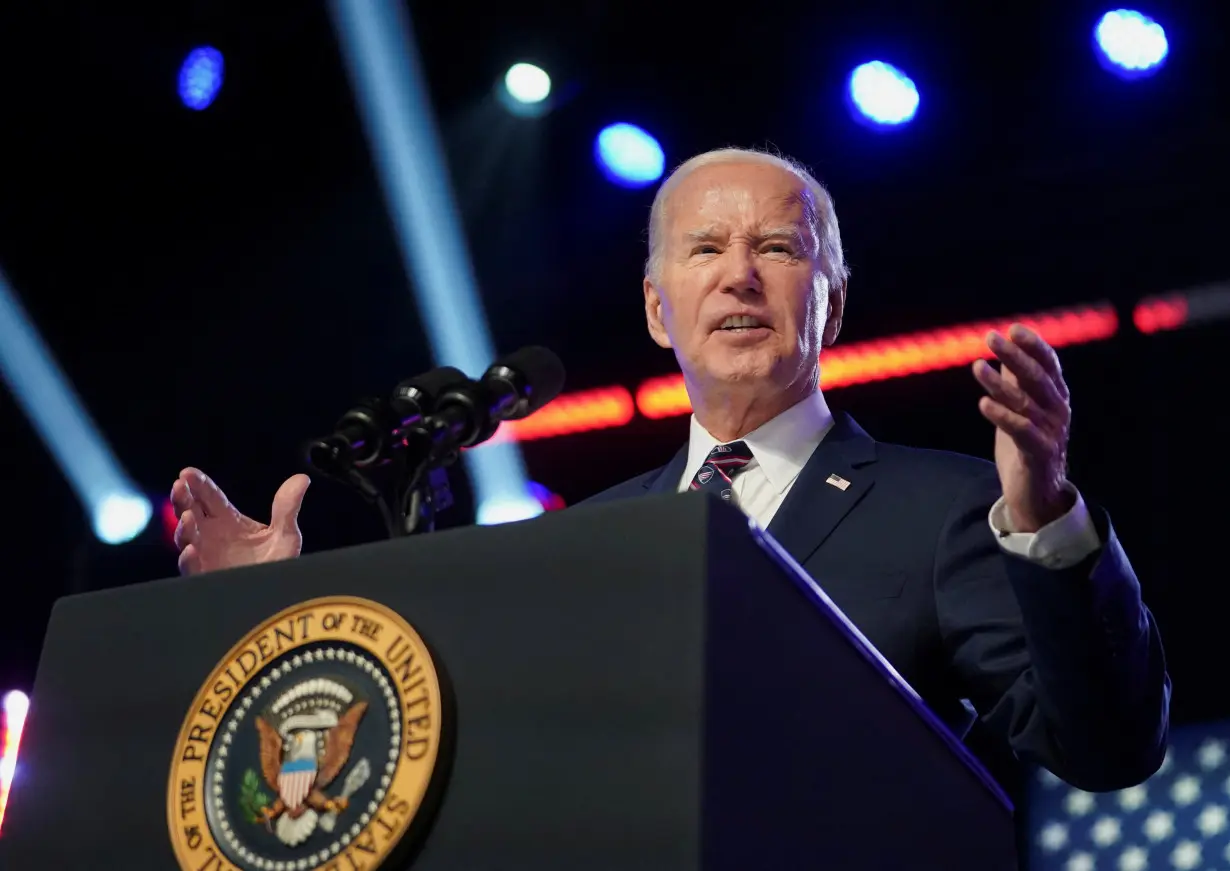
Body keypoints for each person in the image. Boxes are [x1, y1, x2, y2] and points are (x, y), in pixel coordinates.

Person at [170, 147, 1169, 795]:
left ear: (829, 304)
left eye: (778, 247)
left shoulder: (948, 508)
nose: (740, 273)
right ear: (658, 310)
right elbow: (447, 770)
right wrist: (276, 624)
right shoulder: (577, 543)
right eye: (706, 248)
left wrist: (1045, 519)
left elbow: (1106, 748)